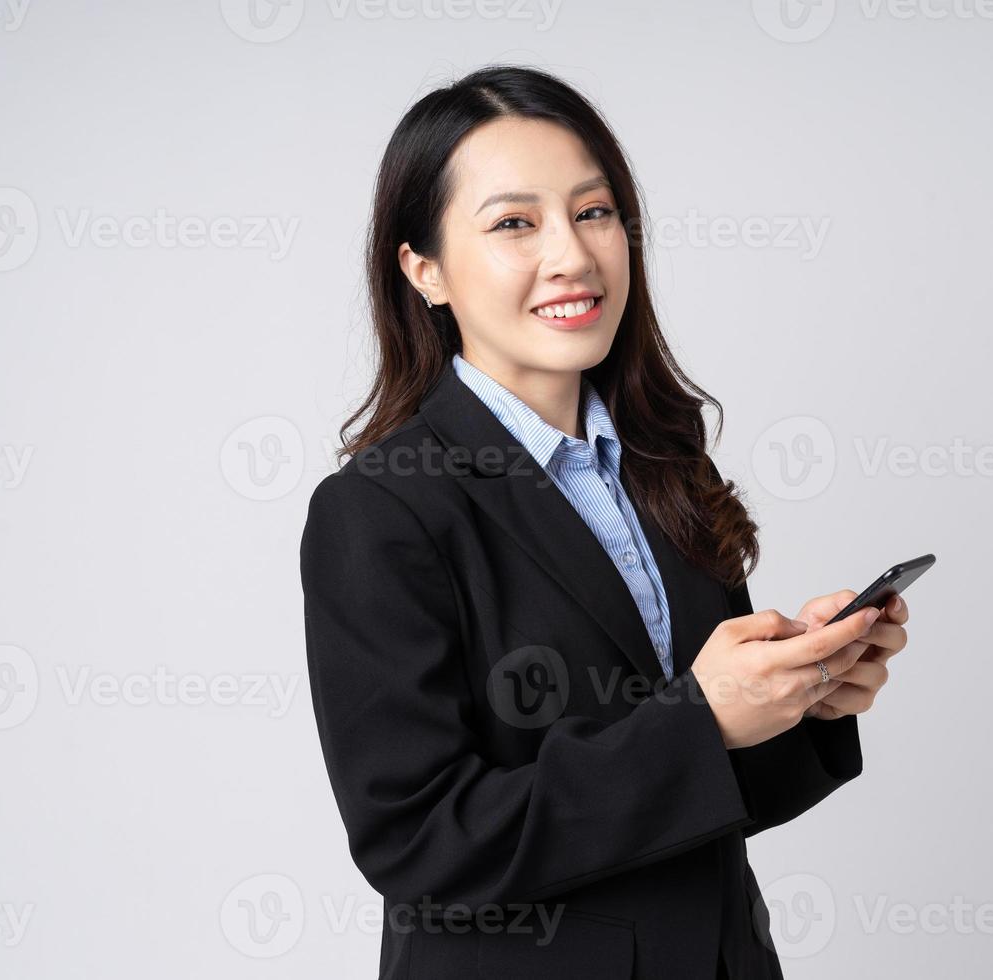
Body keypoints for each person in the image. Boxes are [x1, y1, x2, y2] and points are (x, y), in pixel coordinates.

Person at [300, 64, 910, 980]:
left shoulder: (666, 461)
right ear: (423, 270)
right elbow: (420, 844)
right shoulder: (381, 512)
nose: (574, 255)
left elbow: (696, 793)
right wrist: (703, 721)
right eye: (514, 223)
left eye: (594, 212)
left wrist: (796, 702)